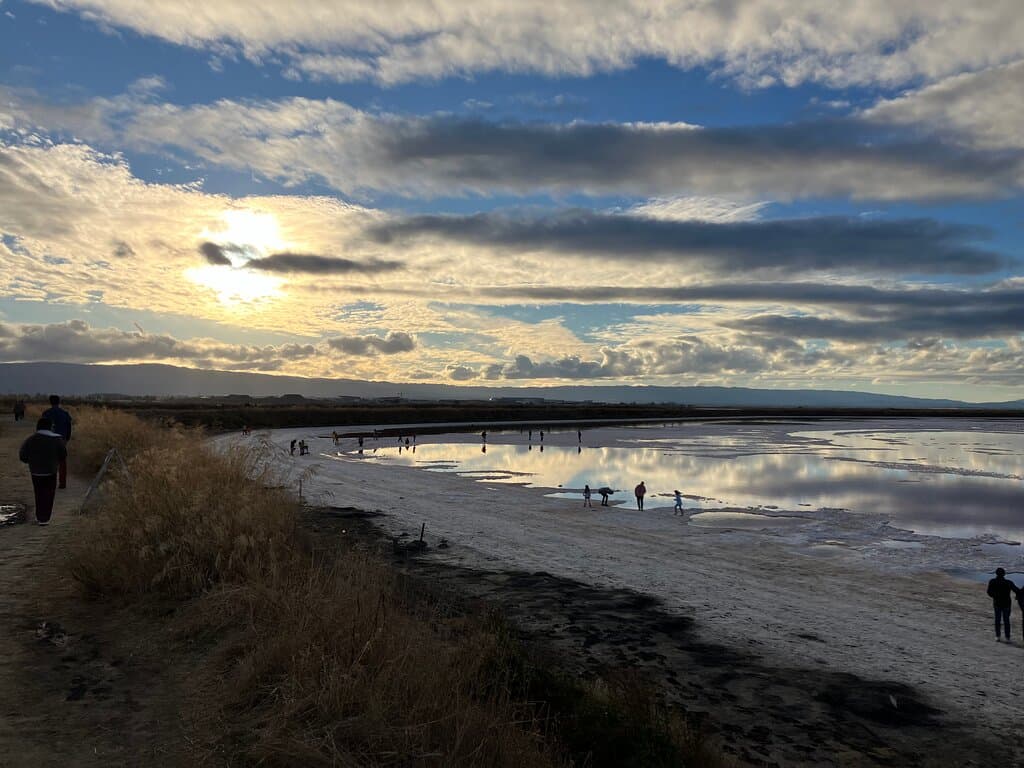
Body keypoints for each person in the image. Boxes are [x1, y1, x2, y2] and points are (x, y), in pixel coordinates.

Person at [19, 418, 67, 526]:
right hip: (51, 471)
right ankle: (45, 518)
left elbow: (22, 456)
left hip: (35, 471)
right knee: (49, 494)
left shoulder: (31, 439)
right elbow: (63, 454)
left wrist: (31, 461)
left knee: (38, 494)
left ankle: (40, 516)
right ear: (50, 427)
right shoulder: (56, 439)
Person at [41, 395, 72, 489]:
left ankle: (49, 483)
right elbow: (69, 427)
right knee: (62, 461)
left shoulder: (46, 413)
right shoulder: (65, 413)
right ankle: (62, 483)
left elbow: (42, 427)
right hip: (61, 439)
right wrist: (67, 438)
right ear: (59, 402)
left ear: (50, 402)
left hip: (49, 439)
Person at [987, 568, 1019, 642]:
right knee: (1006, 621)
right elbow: (1017, 590)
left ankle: (998, 636)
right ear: (1004, 574)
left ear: (996, 573)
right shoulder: (1008, 582)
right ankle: (1007, 637)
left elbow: (989, 592)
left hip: (997, 603)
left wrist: (995, 596)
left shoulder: (992, 581)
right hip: (1006, 603)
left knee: (997, 620)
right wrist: (1017, 596)